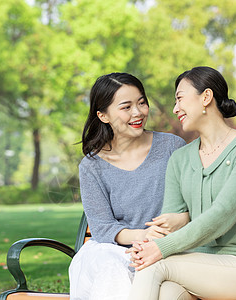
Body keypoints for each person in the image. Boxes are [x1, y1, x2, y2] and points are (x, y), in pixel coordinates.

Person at [127, 66, 236, 300]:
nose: (175, 108)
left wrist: (159, 250)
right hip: (196, 266)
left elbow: (222, 215)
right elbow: (169, 223)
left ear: (206, 97)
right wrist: (151, 240)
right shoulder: (180, 158)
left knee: (154, 265)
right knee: (166, 293)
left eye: (180, 98)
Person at [68, 72, 188, 300]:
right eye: (126, 107)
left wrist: (157, 239)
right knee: (110, 269)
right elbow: (103, 228)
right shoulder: (92, 166)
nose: (138, 112)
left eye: (142, 102)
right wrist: (143, 235)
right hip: (112, 251)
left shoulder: (172, 147)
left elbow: (192, 205)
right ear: (103, 115)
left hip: (164, 250)